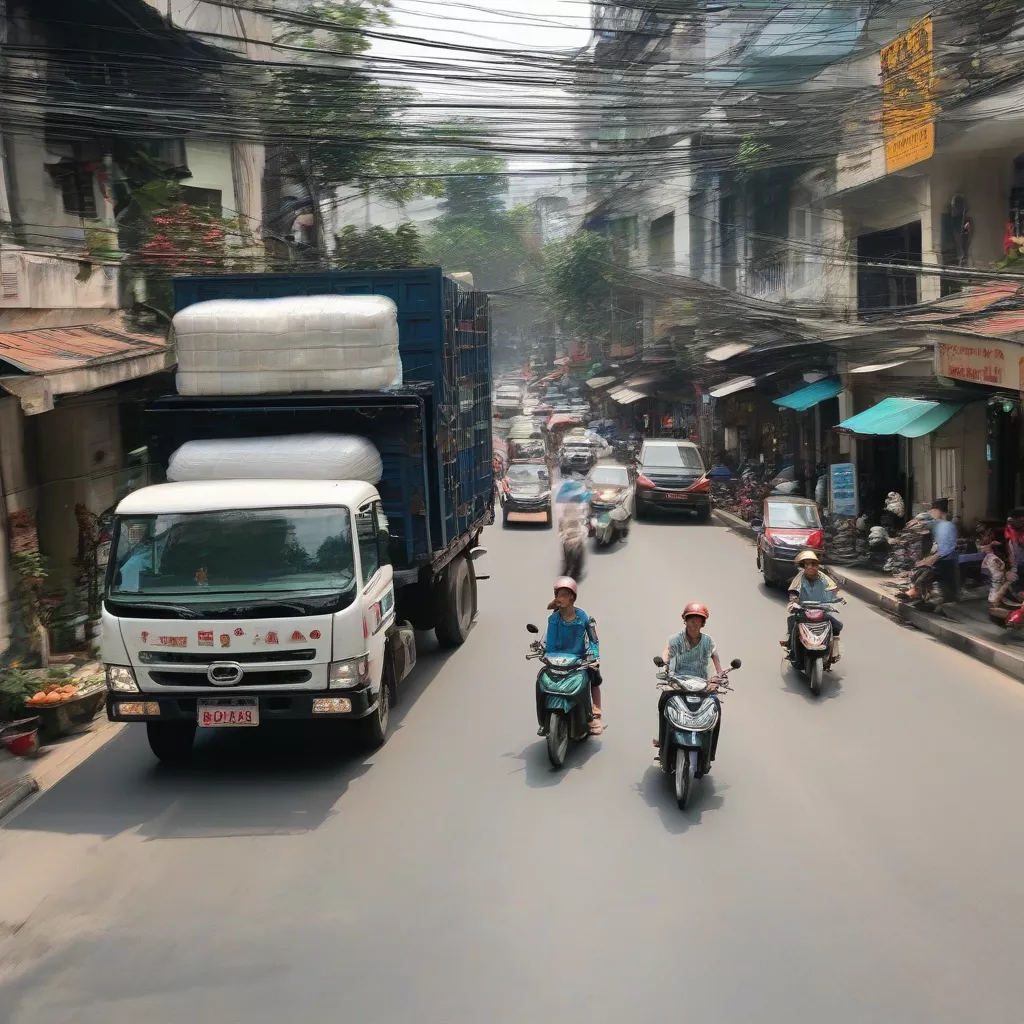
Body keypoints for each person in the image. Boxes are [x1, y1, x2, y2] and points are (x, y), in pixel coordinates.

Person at [654, 603, 723, 766]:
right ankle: (662, 745)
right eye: (692, 620)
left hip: (702, 685)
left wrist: (718, 677)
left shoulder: (708, 641)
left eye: (699, 620)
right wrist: (663, 664)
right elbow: (666, 654)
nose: (695, 623)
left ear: (703, 623)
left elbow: (717, 661)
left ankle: (710, 752)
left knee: (716, 707)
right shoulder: (674, 639)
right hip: (677, 683)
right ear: (685, 620)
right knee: (663, 702)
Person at [537, 576, 603, 736]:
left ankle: (595, 712)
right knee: (540, 680)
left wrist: (594, 657)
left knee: (593, 675)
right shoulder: (553, 619)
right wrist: (544, 654)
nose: (559, 598)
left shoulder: (583, 617)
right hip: (558, 660)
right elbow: (550, 644)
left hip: (579, 657)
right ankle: (543, 719)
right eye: (557, 594)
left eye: (563, 594)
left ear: (572, 597)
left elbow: (594, 639)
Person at [783, 550, 843, 660]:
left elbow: (832, 590)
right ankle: (791, 648)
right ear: (803, 567)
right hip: (804, 610)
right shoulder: (798, 579)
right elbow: (793, 591)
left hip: (821, 609)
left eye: (814, 564)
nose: (811, 567)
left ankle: (834, 651)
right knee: (792, 622)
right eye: (808, 564)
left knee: (837, 626)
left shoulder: (824, 578)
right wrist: (794, 599)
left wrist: (836, 599)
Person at [918, 498, 958, 606]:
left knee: (945, 588)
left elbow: (946, 548)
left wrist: (932, 558)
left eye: (933, 510)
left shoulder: (947, 526)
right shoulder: (938, 524)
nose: (931, 513)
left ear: (939, 511)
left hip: (946, 560)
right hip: (941, 559)